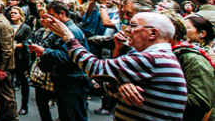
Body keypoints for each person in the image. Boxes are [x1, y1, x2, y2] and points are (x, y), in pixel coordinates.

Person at [44, 11, 188, 121]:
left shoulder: (152, 58)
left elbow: (95, 68)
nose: (127, 30)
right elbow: (107, 83)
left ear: (152, 33)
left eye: (133, 26)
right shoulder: (157, 56)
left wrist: (69, 38)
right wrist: (120, 85)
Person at [29, 0, 89, 121]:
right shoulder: (59, 30)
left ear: (62, 14)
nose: (49, 19)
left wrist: (44, 51)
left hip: (73, 80)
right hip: (62, 78)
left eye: (52, 15)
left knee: (75, 117)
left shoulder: (72, 31)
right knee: (65, 116)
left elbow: (69, 57)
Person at [9, 6, 31, 115]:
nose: (12, 14)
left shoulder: (26, 28)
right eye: (11, 13)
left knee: (23, 82)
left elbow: (27, 43)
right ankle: (12, 106)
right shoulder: (8, 26)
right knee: (10, 82)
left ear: (21, 15)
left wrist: (13, 45)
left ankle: (24, 106)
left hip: (21, 58)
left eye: (15, 13)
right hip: (10, 57)